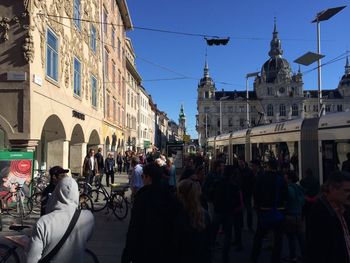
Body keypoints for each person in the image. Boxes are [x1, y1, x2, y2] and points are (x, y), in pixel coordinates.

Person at [27, 176, 94, 263]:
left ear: (57, 192)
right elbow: (87, 239)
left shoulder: (43, 223)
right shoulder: (88, 217)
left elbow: (32, 259)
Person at [121, 162, 177, 263]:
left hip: (145, 250)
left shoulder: (142, 197)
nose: (142, 178)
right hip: (165, 250)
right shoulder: (170, 196)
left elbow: (134, 228)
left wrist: (127, 255)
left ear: (149, 177)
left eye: (143, 176)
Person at [306, 171, 350, 263]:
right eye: (346, 191)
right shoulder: (319, 212)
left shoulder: (343, 207)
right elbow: (317, 250)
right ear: (332, 188)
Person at [251, 158, 288, 263]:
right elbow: (285, 196)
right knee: (278, 239)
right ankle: (275, 259)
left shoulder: (261, 178)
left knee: (259, 237)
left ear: (268, 166)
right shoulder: (281, 179)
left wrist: (258, 206)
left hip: (264, 211)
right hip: (278, 212)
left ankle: (254, 257)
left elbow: (256, 193)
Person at [172, 179, 211, 263]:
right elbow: (209, 242)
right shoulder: (205, 215)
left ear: (181, 196)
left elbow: (176, 246)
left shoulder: (180, 218)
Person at [284, 170, 305, 262]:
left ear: (289, 178)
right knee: (300, 237)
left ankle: (292, 256)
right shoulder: (299, 187)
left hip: (290, 214)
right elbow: (302, 200)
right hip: (299, 214)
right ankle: (304, 254)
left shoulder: (289, 188)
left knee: (291, 237)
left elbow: (289, 199)